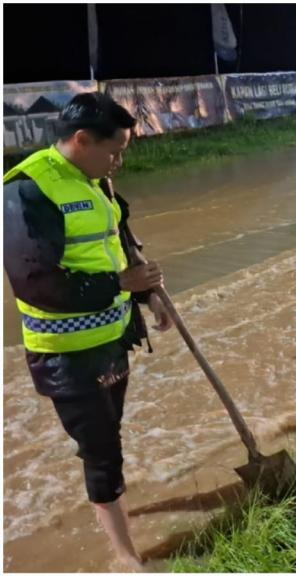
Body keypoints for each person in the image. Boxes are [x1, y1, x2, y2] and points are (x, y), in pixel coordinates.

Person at [3, 92, 171, 571]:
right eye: (114, 151)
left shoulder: (97, 181)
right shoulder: (26, 192)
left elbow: (117, 237)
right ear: (81, 140)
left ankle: (111, 506)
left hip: (111, 338)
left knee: (108, 436)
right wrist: (122, 283)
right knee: (101, 451)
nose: (119, 161)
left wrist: (148, 293)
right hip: (67, 354)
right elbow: (36, 283)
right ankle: (125, 557)